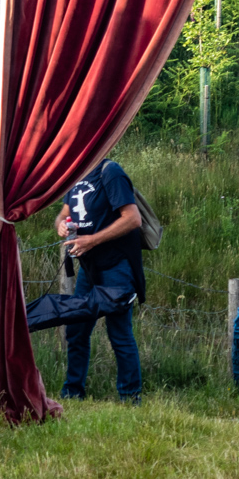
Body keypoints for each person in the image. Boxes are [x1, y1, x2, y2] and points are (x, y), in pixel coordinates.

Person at [56, 158, 145, 402]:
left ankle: (130, 397)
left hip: (117, 267)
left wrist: (92, 240)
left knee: (119, 332)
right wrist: (61, 225)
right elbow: (63, 214)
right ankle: (72, 392)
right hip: (89, 270)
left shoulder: (110, 172)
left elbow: (133, 218)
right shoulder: (75, 173)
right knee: (77, 330)